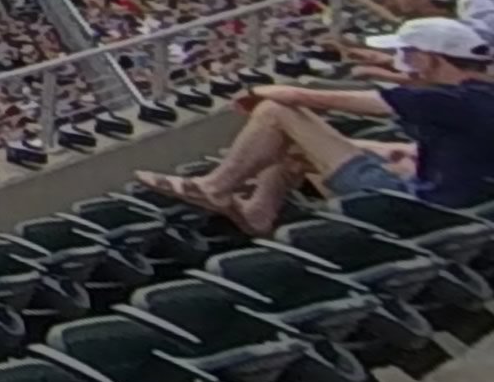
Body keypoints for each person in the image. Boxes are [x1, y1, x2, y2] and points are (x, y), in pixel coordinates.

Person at [139, 17, 494, 234]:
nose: (404, 64)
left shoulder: (443, 100)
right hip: (458, 207)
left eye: (408, 55)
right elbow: (457, 148)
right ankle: (258, 212)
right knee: (296, 145)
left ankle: (217, 186)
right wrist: (388, 151)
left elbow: (313, 98)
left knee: (278, 110)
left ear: (430, 58)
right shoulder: (479, 96)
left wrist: (262, 91)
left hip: (412, 205)